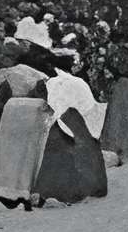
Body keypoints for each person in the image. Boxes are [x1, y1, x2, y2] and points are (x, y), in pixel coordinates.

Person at [33, 55, 109, 205]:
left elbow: (57, 110)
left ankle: (59, 191)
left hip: (70, 119)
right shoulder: (76, 81)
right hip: (82, 118)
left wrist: (48, 122)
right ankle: (94, 187)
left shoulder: (56, 85)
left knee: (57, 146)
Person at [0, 46, 50, 207]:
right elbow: (44, 93)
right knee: (29, 152)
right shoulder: (38, 74)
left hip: (13, 109)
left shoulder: (6, 73)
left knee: (10, 152)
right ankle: (27, 189)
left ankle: (11, 190)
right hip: (33, 110)